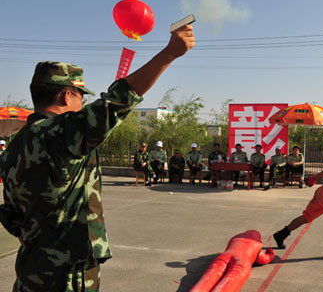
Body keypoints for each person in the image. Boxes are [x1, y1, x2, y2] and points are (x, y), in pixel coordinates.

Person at [0, 24, 194, 291]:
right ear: (67, 94)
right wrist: (169, 53)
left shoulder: (13, 146)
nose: (82, 104)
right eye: (81, 96)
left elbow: (10, 216)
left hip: (30, 272)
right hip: (67, 276)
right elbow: (117, 101)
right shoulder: (62, 133)